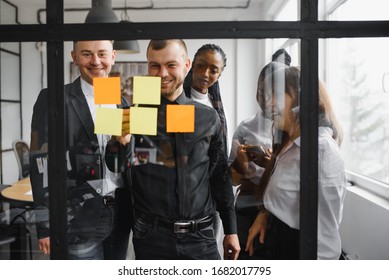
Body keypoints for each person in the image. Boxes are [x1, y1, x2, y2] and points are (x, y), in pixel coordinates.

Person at [109, 39, 240, 260]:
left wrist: (231, 229)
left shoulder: (208, 117)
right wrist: (120, 142)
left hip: (202, 236)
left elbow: (219, 176)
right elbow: (115, 167)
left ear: (186, 65)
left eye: (171, 65)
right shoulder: (132, 113)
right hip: (151, 236)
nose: (162, 74)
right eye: (154, 66)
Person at [29, 40, 132, 260]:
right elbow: (40, 165)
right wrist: (45, 225)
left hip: (119, 214)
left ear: (113, 56)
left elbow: (122, 162)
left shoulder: (121, 101)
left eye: (102, 54)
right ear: (74, 57)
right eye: (87, 54)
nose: (96, 61)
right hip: (76, 218)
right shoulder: (53, 98)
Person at [245, 60, 346, 259]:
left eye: (276, 94)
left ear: (302, 99)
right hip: (277, 240)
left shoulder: (322, 151)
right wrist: (265, 215)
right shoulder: (291, 144)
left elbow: (325, 240)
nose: (268, 103)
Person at [228, 49, 289, 259]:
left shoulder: (294, 130)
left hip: (281, 210)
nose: (268, 100)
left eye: (275, 93)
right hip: (247, 206)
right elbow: (232, 180)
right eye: (262, 92)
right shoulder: (245, 128)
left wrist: (271, 162)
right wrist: (241, 165)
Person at [183, 43, 228, 254]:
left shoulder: (216, 106)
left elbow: (218, 158)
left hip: (211, 197)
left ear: (220, 73)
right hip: (186, 199)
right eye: (200, 66)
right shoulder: (178, 102)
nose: (205, 74)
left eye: (213, 70)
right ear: (191, 65)